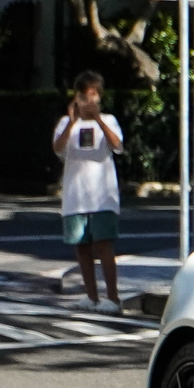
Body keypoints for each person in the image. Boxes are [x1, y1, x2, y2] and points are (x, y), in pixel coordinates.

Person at [53, 71, 125, 313]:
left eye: (93, 97)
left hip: (102, 196)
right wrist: (73, 121)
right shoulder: (66, 124)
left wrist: (99, 121)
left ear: (100, 98)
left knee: (103, 244)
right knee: (81, 247)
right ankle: (91, 296)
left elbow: (117, 146)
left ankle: (113, 298)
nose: (88, 102)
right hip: (76, 196)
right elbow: (58, 149)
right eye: (83, 97)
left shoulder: (110, 120)